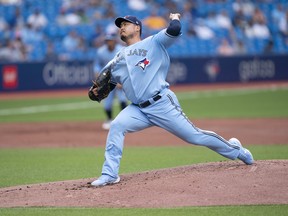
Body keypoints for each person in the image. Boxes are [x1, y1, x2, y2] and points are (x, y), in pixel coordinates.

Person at [90, 13, 254, 187]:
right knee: (117, 126)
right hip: (137, 109)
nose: (121, 27)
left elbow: (174, 29)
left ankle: (237, 150)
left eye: (126, 24)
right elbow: (108, 82)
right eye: (120, 25)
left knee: (195, 136)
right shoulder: (118, 58)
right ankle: (109, 174)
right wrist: (95, 92)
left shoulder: (154, 42)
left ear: (137, 27)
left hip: (162, 103)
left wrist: (175, 17)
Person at [94, 33, 127, 130]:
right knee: (107, 103)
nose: (109, 42)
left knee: (122, 100)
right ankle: (109, 119)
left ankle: (125, 121)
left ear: (115, 40)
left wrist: (122, 79)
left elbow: (126, 66)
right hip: (107, 79)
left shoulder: (121, 50)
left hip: (119, 78)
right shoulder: (101, 52)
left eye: (111, 40)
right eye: (107, 40)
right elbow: (97, 65)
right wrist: (97, 75)